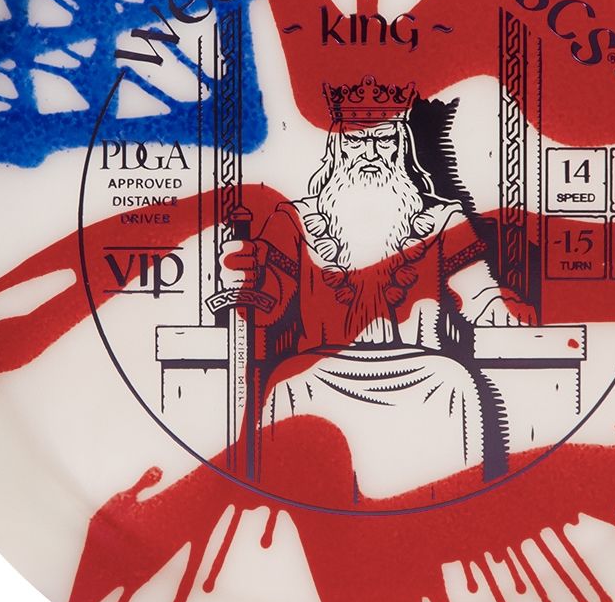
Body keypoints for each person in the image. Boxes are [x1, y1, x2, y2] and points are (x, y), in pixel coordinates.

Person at [220, 75, 537, 496]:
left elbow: (478, 293)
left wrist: (497, 299)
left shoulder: (445, 220)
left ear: (402, 147)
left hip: (425, 369)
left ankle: (459, 507)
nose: (369, 153)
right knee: (285, 389)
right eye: (356, 142)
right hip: (318, 370)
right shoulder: (294, 221)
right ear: (336, 149)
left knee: (458, 381)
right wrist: (248, 280)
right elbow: (270, 303)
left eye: (383, 140)